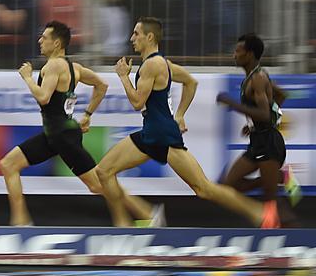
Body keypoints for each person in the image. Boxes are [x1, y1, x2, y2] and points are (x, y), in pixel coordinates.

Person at [96, 17, 279, 228]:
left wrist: (123, 77)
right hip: (154, 131)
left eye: (136, 33)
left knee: (203, 188)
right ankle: (124, 224)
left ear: (150, 37)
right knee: (105, 171)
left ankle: (260, 213)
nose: (131, 38)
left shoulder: (152, 66)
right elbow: (191, 82)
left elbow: (137, 102)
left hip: (161, 134)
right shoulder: (162, 63)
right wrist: (180, 114)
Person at [0, 21, 109, 226]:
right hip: (57, 133)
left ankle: (143, 213)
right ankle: (20, 222)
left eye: (44, 38)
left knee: (98, 186)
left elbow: (43, 97)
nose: (40, 40)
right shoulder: (73, 67)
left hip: (62, 136)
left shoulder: (53, 65)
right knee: (8, 164)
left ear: (57, 43)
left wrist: (28, 78)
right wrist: (87, 114)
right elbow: (101, 85)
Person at [215, 34, 300, 210]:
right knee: (228, 185)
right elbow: (280, 96)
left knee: (272, 204)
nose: (234, 55)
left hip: (269, 144)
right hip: (258, 141)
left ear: (250, 54)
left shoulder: (258, 78)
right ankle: (280, 177)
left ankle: (286, 231)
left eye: (238, 51)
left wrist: (231, 104)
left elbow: (264, 114)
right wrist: (254, 124)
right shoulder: (253, 77)